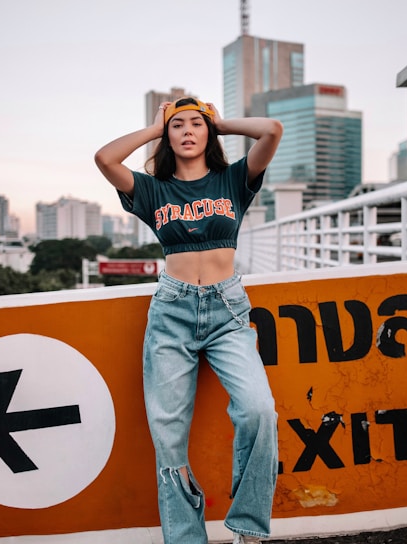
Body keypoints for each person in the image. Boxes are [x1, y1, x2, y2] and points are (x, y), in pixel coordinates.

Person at [94, 96, 283, 544]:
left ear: (208, 132)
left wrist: (220, 122)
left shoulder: (234, 180)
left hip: (228, 311)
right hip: (172, 314)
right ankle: (185, 539)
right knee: (168, 438)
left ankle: (249, 530)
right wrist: (155, 127)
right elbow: (104, 158)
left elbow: (272, 129)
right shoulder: (152, 190)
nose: (187, 131)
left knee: (259, 411)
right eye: (177, 125)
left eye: (195, 123)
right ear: (167, 136)